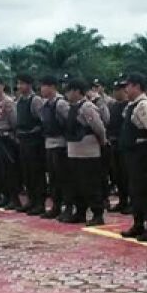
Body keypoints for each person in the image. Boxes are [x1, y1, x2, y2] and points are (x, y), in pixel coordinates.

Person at [60, 79, 108, 225]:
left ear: (76, 91)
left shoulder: (87, 107)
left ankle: (97, 213)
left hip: (88, 152)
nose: (67, 94)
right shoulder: (72, 107)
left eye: (69, 90)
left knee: (91, 184)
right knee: (77, 185)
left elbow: (99, 128)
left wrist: (103, 142)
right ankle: (80, 211)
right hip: (74, 151)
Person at [120, 72, 147, 240]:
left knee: (146, 192)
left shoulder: (143, 105)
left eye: (128, 86)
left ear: (137, 86)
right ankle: (138, 224)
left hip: (142, 154)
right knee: (135, 191)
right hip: (132, 154)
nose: (125, 89)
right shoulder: (131, 105)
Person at [15, 74, 47, 214]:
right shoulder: (20, 101)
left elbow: (43, 121)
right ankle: (31, 200)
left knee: (36, 173)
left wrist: (33, 133)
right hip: (23, 140)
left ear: (29, 85)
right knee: (26, 172)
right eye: (18, 84)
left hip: (34, 141)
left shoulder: (36, 100)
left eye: (22, 83)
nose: (19, 86)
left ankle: (39, 203)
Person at [39, 75, 69, 219]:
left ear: (52, 87)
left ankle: (66, 206)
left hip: (60, 144)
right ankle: (56, 206)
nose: (41, 89)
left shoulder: (60, 103)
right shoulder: (45, 104)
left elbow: (68, 123)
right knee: (53, 178)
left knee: (63, 178)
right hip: (49, 143)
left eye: (44, 86)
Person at [0, 78, 20, 209]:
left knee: (9, 170)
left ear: (2, 86)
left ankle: (14, 198)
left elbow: (14, 122)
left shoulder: (8, 102)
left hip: (5, 138)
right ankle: (6, 196)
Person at [107, 79, 130, 213]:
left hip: (125, 144)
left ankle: (130, 201)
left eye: (120, 89)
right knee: (117, 175)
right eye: (115, 90)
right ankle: (122, 200)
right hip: (114, 143)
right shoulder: (113, 106)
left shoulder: (128, 106)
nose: (117, 92)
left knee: (127, 175)